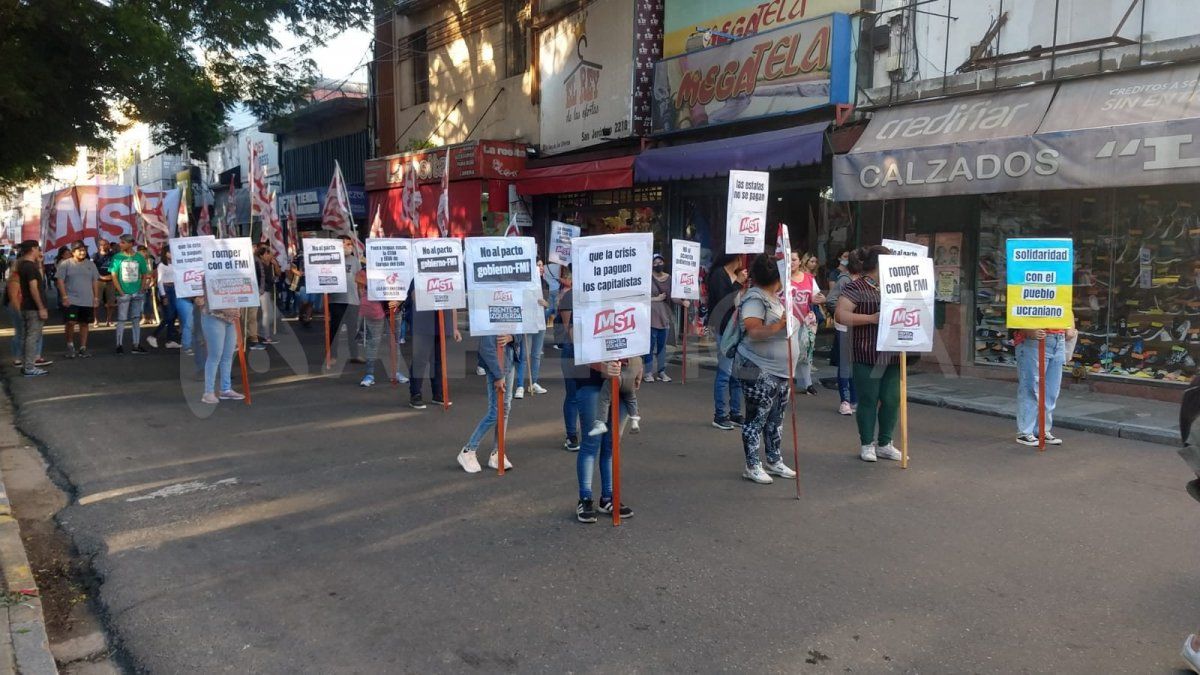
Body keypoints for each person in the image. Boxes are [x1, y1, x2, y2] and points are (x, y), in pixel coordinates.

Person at [730, 254, 800, 484]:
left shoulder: (775, 297)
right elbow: (755, 331)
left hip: (779, 370)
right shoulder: (755, 299)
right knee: (756, 416)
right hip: (756, 367)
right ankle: (752, 464)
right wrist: (780, 325)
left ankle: (774, 459)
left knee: (775, 418)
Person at [835, 246, 902, 463]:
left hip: (892, 352)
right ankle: (867, 443)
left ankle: (885, 442)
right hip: (865, 351)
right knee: (869, 399)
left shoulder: (897, 287)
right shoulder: (857, 287)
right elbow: (841, 315)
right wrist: (871, 318)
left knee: (892, 399)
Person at [574, 358, 637, 523]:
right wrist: (602, 367)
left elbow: (636, 338)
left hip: (622, 382)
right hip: (591, 382)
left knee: (611, 445)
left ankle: (608, 497)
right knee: (591, 444)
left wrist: (638, 366)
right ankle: (585, 498)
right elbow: (578, 342)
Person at [457, 333, 517, 474]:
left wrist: (512, 337)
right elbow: (486, 348)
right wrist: (498, 374)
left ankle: (498, 452)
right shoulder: (488, 316)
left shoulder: (511, 312)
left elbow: (521, 331)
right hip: (497, 366)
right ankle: (469, 450)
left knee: (505, 408)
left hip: (508, 362)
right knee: (496, 412)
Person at [1014, 324, 1076, 446]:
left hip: (1057, 338)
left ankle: (1041, 429)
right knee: (1031, 387)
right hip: (1035, 339)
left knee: (1051, 390)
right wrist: (1027, 329)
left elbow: (1066, 307)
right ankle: (1025, 432)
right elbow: (1016, 308)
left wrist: (1070, 326)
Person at [707, 254, 746, 430]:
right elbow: (724, 302)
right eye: (741, 257)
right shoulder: (718, 275)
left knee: (736, 374)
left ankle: (736, 412)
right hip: (724, 328)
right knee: (725, 372)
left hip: (738, 328)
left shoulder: (738, 275)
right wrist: (738, 283)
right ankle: (720, 414)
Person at [354, 266, 408, 387]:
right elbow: (359, 282)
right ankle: (369, 374)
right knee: (373, 341)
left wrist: (398, 302)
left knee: (394, 342)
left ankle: (395, 372)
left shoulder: (400, 265)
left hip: (394, 306)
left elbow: (406, 284)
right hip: (374, 306)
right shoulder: (368, 269)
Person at [407, 293, 461, 409]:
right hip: (424, 326)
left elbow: (453, 303)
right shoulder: (419, 277)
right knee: (420, 360)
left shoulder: (449, 278)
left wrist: (455, 327)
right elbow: (414, 297)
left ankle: (438, 394)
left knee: (439, 361)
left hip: (443, 325)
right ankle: (415, 394)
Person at [195, 291, 245, 405]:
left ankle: (225, 389)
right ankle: (208, 392)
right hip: (213, 316)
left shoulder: (234, 273)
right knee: (215, 355)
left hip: (230, 318)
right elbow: (200, 298)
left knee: (227, 355)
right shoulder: (206, 274)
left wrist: (238, 308)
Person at [788, 251, 825, 396]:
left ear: (799, 261)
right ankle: (788, 382)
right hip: (786, 322)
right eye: (789, 259)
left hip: (805, 322)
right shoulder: (780, 278)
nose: (792, 262)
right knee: (790, 354)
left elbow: (819, 297)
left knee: (805, 353)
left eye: (794, 259)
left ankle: (807, 383)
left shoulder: (809, 278)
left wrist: (819, 299)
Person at [513, 258, 551, 397]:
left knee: (536, 355)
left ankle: (533, 382)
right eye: (538, 265)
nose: (540, 268)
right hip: (528, 322)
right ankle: (520, 385)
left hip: (541, 322)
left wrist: (546, 304)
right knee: (524, 355)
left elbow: (551, 305)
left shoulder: (545, 283)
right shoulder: (524, 284)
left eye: (541, 265)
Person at [826, 249, 858, 415]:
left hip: (861, 329)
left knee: (857, 364)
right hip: (846, 328)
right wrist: (841, 315)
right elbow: (831, 300)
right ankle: (845, 400)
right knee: (845, 364)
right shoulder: (844, 280)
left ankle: (855, 399)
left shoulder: (869, 281)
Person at [644, 253, 684, 382]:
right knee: (649, 346)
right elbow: (641, 298)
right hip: (650, 317)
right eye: (655, 263)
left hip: (665, 317)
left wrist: (683, 302)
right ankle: (648, 372)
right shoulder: (646, 278)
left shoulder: (670, 278)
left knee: (662, 347)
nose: (658, 265)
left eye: (660, 262)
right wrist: (656, 298)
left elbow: (674, 296)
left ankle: (661, 372)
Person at [56, 242, 100, 358]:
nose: (82, 252)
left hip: (87, 299)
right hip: (71, 299)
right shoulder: (65, 264)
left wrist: (96, 297)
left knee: (84, 323)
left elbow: (95, 281)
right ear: (73, 252)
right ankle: (70, 346)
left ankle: (83, 348)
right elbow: (60, 281)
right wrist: (64, 297)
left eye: (84, 250)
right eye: (79, 250)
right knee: (70, 322)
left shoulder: (91, 264)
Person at [13, 241, 50, 377]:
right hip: (33, 307)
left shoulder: (25, 265)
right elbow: (34, 288)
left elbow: (38, 279)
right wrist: (41, 307)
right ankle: (29, 367)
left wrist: (40, 263)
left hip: (27, 306)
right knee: (32, 337)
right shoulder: (29, 267)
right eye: (38, 248)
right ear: (33, 249)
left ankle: (26, 365)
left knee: (27, 336)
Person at [109, 234, 150, 354]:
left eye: (123, 242)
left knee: (136, 319)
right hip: (124, 293)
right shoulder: (117, 257)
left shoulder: (139, 257)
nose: (120, 244)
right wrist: (120, 291)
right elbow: (113, 275)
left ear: (130, 244)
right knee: (121, 319)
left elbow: (144, 274)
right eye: (120, 242)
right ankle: (119, 345)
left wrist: (142, 288)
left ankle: (136, 345)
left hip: (137, 292)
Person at [555, 266, 582, 451]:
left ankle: (592, 432)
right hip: (574, 351)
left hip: (592, 351)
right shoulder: (569, 297)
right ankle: (572, 436)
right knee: (573, 395)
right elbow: (568, 329)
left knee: (594, 395)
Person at [326, 235, 363, 365]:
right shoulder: (331, 260)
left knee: (353, 330)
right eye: (346, 244)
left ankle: (354, 355)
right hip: (337, 300)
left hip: (353, 301)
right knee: (335, 329)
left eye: (350, 244)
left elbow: (359, 280)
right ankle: (333, 356)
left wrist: (361, 297)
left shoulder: (355, 260)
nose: (349, 246)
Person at [588, 357, 642, 436]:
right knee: (631, 399)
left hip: (618, 374)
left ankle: (600, 422)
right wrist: (638, 378)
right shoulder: (636, 352)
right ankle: (635, 421)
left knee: (604, 398)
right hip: (631, 375)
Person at [147, 248, 180, 349]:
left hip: (175, 289)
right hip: (167, 289)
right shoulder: (162, 265)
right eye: (170, 252)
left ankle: (169, 340)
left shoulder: (175, 264)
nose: (172, 254)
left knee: (173, 315)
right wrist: (163, 295)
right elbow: (160, 281)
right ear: (165, 254)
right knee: (169, 315)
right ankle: (153, 335)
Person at [256, 245, 280, 347]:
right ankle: (266, 335)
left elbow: (278, 274)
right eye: (268, 253)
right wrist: (274, 279)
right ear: (262, 255)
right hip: (262, 291)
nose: (270, 255)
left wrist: (275, 265)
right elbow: (267, 278)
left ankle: (257, 330)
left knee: (275, 314)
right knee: (267, 313)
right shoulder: (259, 264)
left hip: (267, 290)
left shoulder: (269, 264)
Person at [93, 239, 116, 326]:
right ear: (98, 246)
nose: (103, 246)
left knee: (111, 303)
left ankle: (109, 320)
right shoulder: (95, 256)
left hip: (111, 281)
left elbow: (116, 266)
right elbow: (92, 269)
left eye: (105, 244)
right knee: (96, 302)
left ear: (109, 245)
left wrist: (112, 276)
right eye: (101, 245)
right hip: (98, 282)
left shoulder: (113, 255)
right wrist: (100, 276)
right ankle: (96, 320)